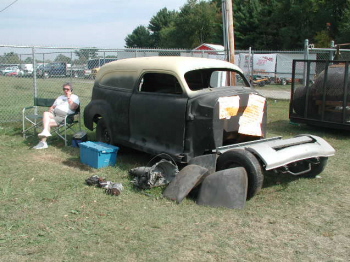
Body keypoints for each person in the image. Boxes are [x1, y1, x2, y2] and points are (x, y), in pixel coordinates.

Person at [33, 83, 80, 149]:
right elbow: (53, 106)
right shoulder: (60, 97)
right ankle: (45, 132)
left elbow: (73, 107)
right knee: (46, 113)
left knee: (47, 123)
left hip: (65, 117)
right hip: (54, 114)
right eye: (64, 89)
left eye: (67, 89)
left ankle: (43, 142)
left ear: (71, 90)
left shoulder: (75, 97)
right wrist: (51, 109)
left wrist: (69, 97)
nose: (65, 90)